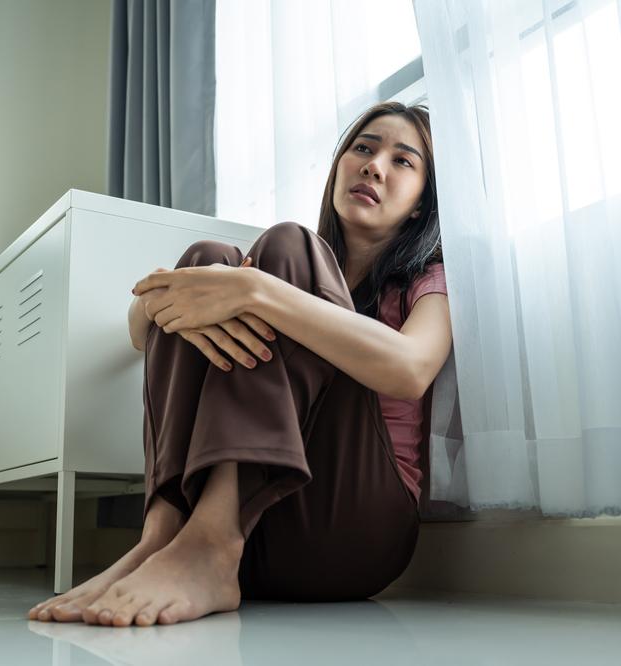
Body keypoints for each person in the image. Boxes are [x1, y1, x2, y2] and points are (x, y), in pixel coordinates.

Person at [28, 101, 452, 627]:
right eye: (363, 148)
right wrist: (165, 297)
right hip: (264, 532)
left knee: (286, 246)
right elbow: (140, 331)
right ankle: (163, 538)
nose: (373, 165)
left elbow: (410, 369)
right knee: (209, 259)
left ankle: (211, 538)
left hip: (355, 534)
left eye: (402, 161)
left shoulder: (426, 278)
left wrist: (257, 289)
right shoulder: (281, 271)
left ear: (419, 205)